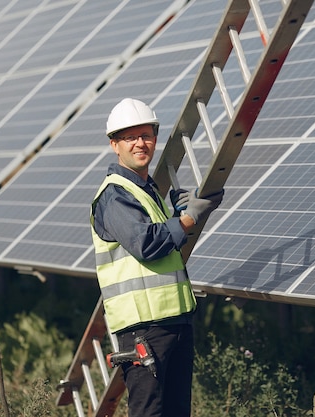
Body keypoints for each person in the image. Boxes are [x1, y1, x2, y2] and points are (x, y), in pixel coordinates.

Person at [90, 97, 224, 417]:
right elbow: (146, 244)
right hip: (143, 329)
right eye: (130, 137)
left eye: (146, 135)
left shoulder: (148, 191)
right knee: (149, 412)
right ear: (115, 145)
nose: (140, 143)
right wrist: (189, 219)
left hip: (174, 322)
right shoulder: (115, 194)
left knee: (177, 411)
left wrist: (176, 214)